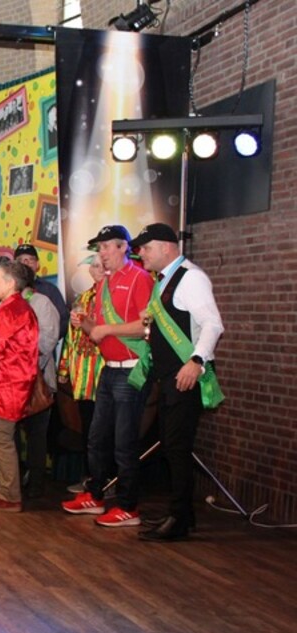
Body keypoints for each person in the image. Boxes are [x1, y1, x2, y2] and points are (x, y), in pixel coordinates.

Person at [132, 223, 224, 541]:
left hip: (185, 377)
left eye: (146, 247)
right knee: (172, 446)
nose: (141, 253)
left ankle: (179, 519)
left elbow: (213, 323)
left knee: (177, 447)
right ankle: (183, 513)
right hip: (168, 377)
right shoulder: (164, 280)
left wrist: (196, 361)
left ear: (166, 247)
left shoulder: (191, 277)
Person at [62, 225, 155, 528]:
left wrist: (106, 329)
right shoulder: (104, 284)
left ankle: (128, 506)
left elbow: (146, 327)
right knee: (96, 437)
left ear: (123, 247)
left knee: (124, 442)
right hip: (108, 368)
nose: (101, 253)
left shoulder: (140, 279)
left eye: (105, 247)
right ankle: (95, 494)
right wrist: (84, 322)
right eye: (99, 248)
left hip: (132, 368)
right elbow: (97, 333)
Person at [0, 260, 40, 512]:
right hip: (14, 383)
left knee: (1, 439)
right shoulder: (21, 307)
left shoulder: (9, 311)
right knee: (4, 438)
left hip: (6, 385)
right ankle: (7, 490)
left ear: (11, 283)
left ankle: (9, 495)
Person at [58, 254, 107, 491]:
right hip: (83, 375)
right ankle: (90, 478)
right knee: (87, 428)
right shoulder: (82, 298)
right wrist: (64, 368)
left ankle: (106, 480)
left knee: (104, 430)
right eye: (94, 266)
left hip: (105, 373)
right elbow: (71, 336)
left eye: (101, 266)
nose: (98, 270)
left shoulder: (112, 297)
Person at [15, 262, 61, 499]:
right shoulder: (8, 304)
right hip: (11, 381)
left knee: (36, 434)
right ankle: (12, 480)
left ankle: (36, 483)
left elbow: (48, 340)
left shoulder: (41, 302)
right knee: (10, 433)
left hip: (37, 379)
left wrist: (23, 363)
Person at [14, 244, 70, 334]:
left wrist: (47, 338)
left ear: (37, 264)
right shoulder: (7, 289)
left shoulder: (50, 290)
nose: (25, 263)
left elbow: (64, 320)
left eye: (30, 259)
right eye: (20, 260)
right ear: (14, 265)